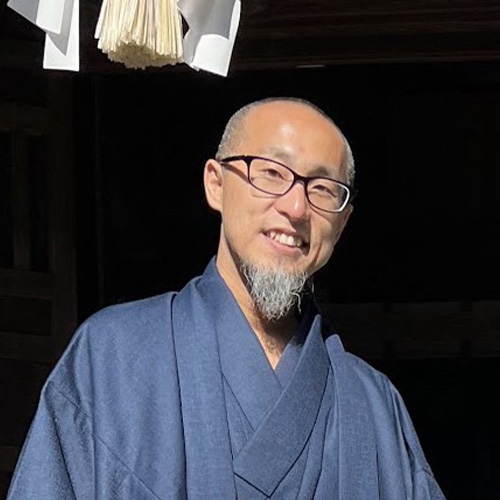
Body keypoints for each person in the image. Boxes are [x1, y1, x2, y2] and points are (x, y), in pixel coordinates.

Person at [7, 98, 446, 500]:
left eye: (322, 189)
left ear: (343, 222)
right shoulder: (113, 356)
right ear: (215, 184)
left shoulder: (373, 403)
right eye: (271, 173)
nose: (296, 208)